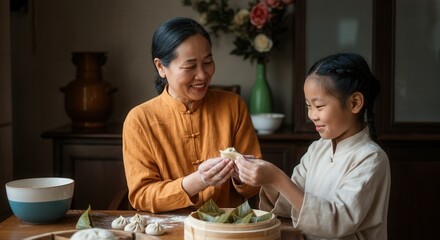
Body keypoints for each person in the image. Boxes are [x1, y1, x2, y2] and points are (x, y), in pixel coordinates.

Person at [235, 53, 391, 240]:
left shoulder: (371, 159)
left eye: (319, 106)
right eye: (308, 106)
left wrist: (276, 177)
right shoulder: (318, 148)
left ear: (354, 103)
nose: (312, 115)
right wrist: (264, 178)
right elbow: (291, 204)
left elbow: (337, 221)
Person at [122, 17, 261, 213]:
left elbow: (254, 186)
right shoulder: (140, 120)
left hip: (226, 228)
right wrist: (198, 181)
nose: (203, 75)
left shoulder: (233, 105)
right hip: (168, 230)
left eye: (207, 62)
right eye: (190, 66)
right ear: (161, 67)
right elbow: (142, 196)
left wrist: (243, 175)